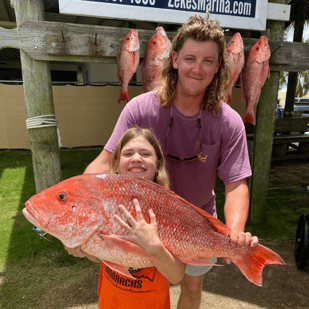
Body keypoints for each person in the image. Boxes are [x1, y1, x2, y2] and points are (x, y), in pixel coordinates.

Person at [84, 14, 259, 309]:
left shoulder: (229, 121)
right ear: (175, 59)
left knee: (191, 289)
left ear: (218, 66)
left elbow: (236, 182)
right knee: (139, 284)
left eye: (207, 61)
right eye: (190, 58)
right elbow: (103, 164)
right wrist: (80, 207)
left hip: (196, 223)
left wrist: (235, 232)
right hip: (143, 222)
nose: (197, 68)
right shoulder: (139, 108)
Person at [66, 126, 185, 309]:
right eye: (128, 153)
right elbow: (100, 258)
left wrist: (154, 247)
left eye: (145, 153)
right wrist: (84, 248)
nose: (136, 158)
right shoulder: (104, 204)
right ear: (117, 162)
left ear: (158, 164)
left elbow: (176, 276)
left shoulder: (169, 209)